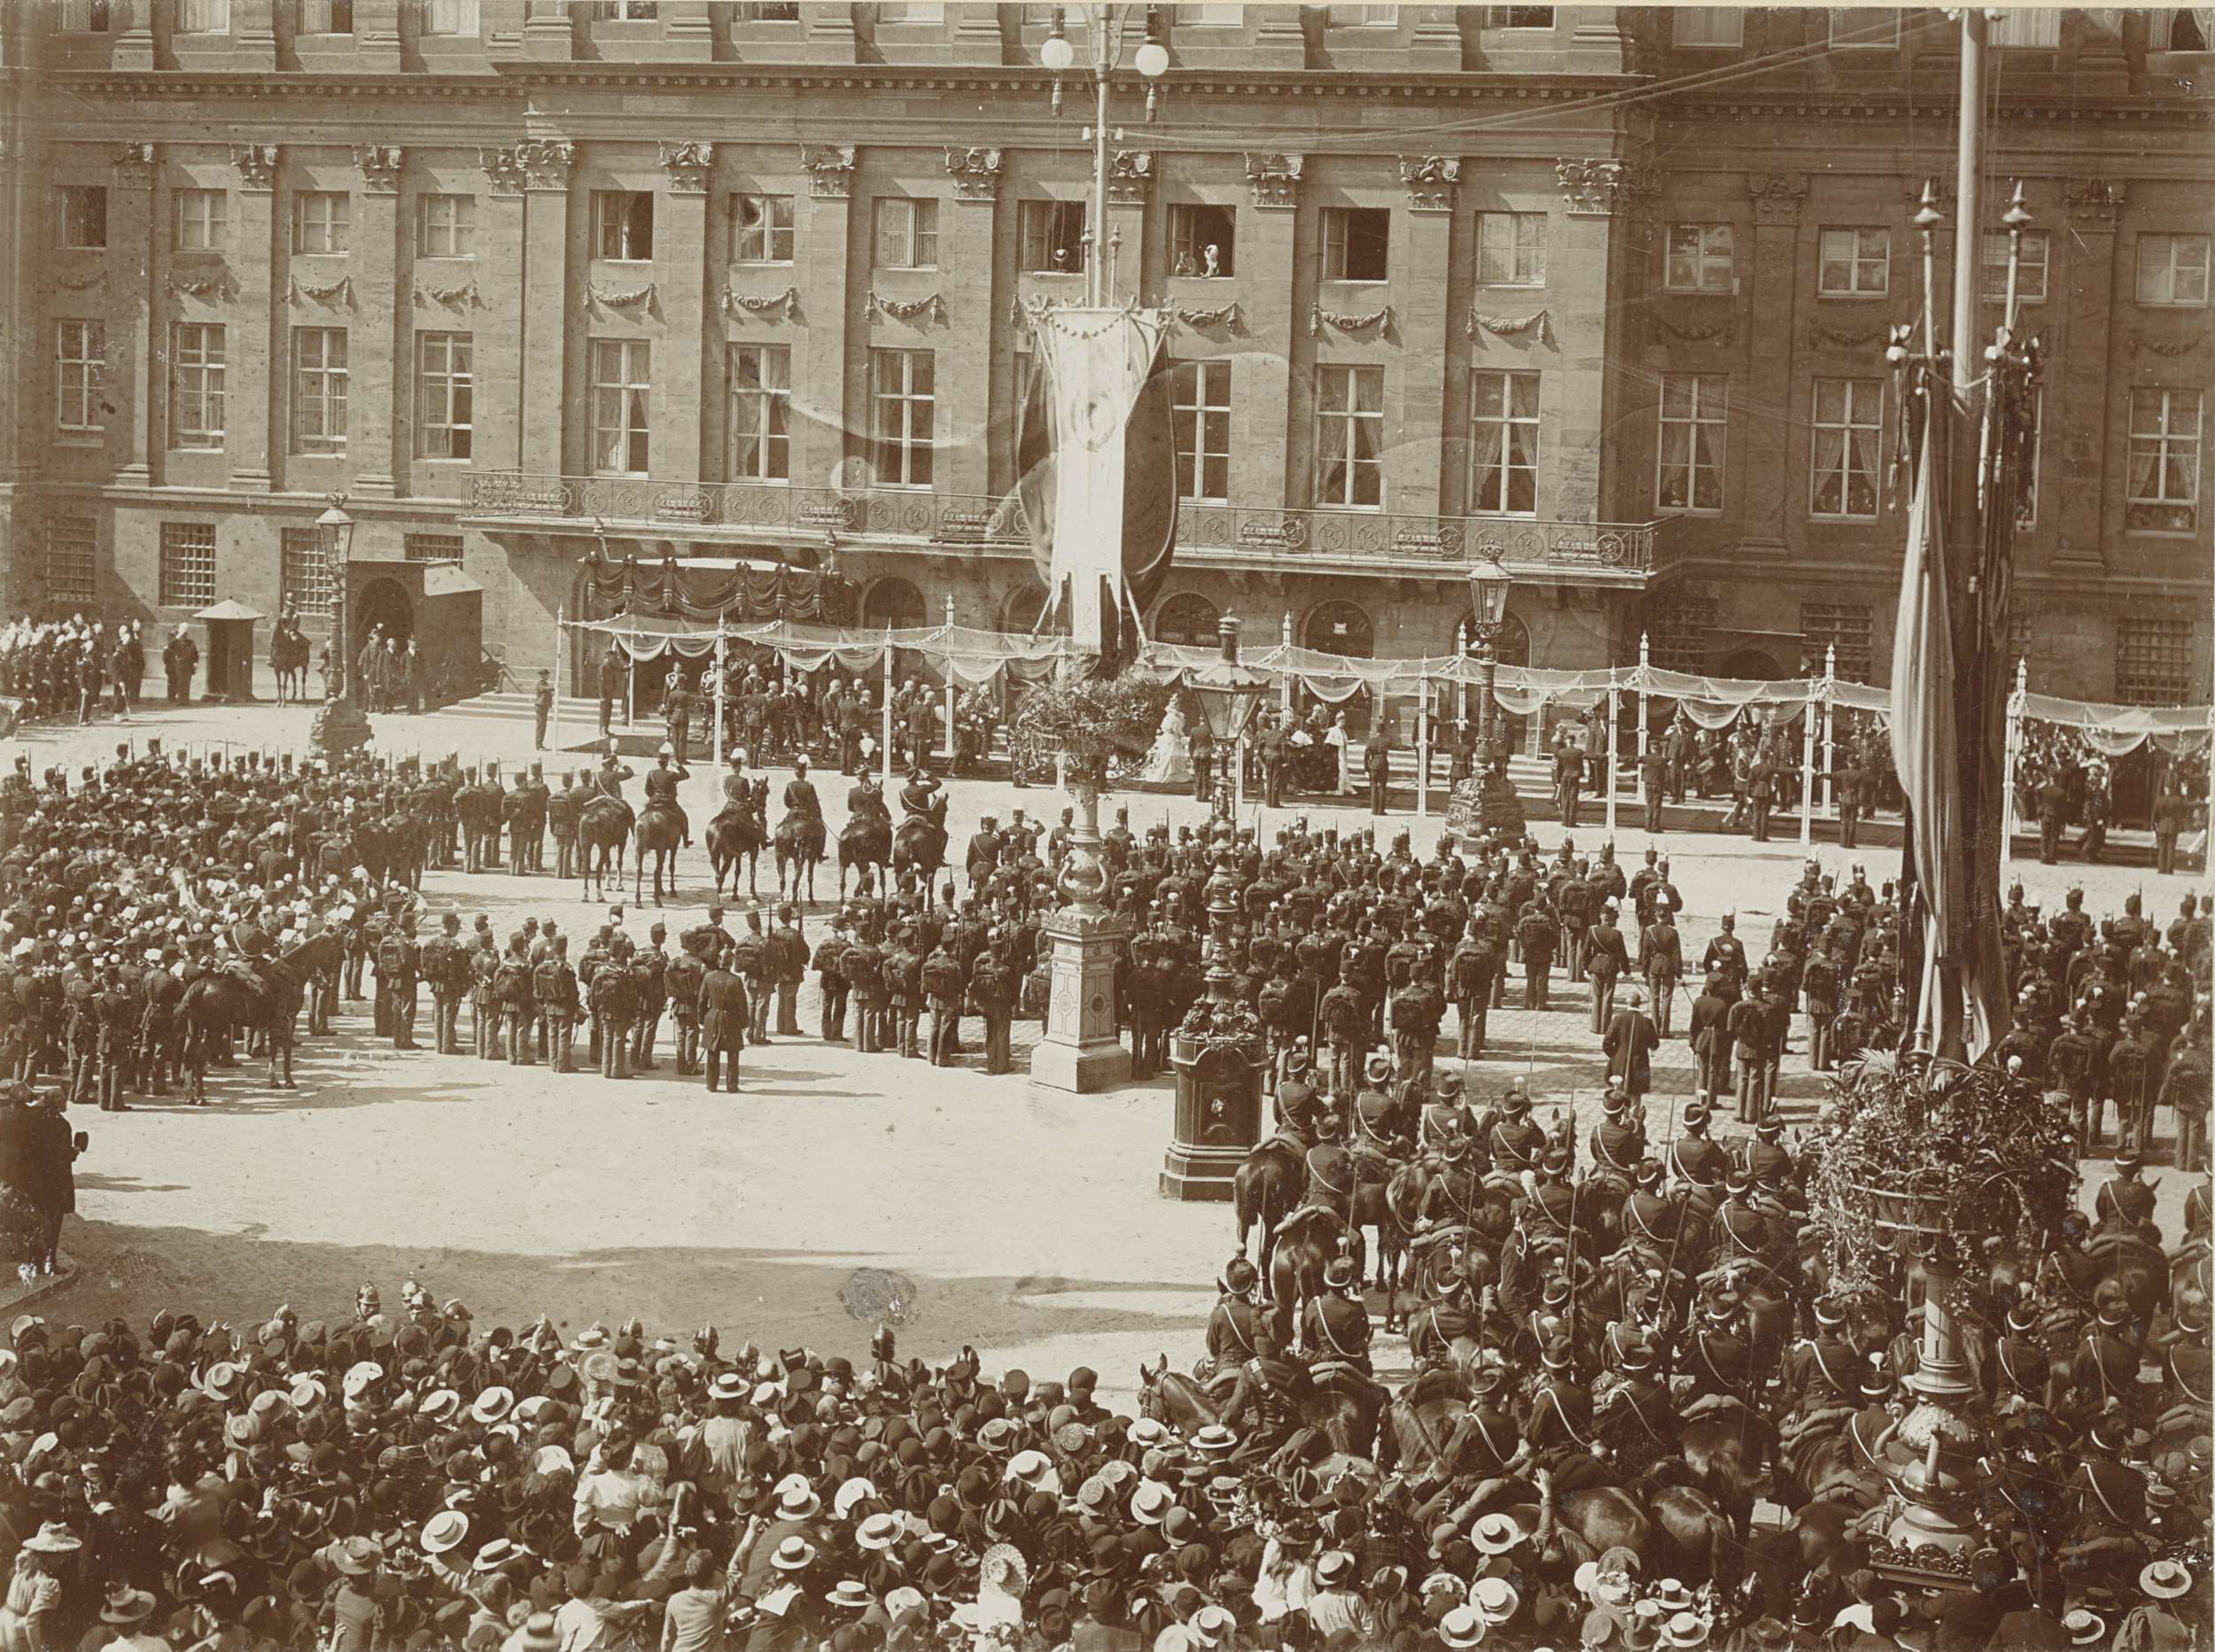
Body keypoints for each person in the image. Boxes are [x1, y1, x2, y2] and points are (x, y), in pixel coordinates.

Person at [533, 670, 555, 750]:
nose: (548, 676)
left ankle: (541, 744)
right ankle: (538, 745)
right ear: (543, 675)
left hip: (544, 707)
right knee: (540, 727)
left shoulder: (545, 683)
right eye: (547, 675)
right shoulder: (540, 682)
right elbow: (544, 689)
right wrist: (553, 688)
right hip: (540, 707)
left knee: (543, 727)